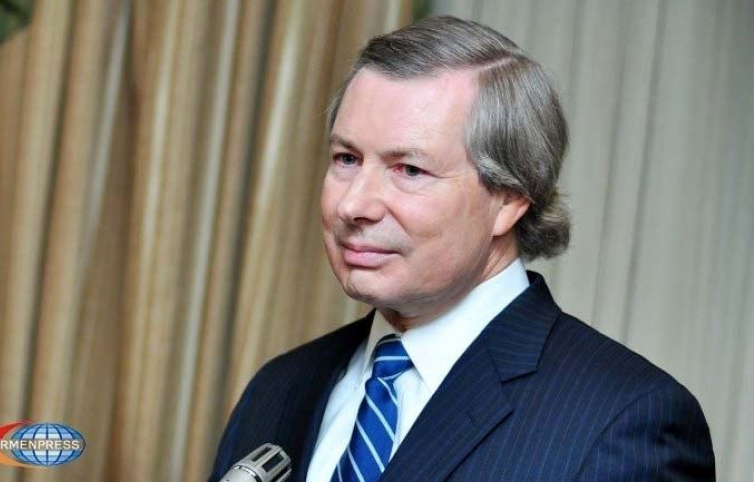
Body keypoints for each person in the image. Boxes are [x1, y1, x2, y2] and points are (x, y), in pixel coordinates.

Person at [209, 16, 715, 482]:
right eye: (346, 159)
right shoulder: (279, 388)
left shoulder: (623, 422)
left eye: (409, 170)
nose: (353, 204)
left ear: (509, 198)